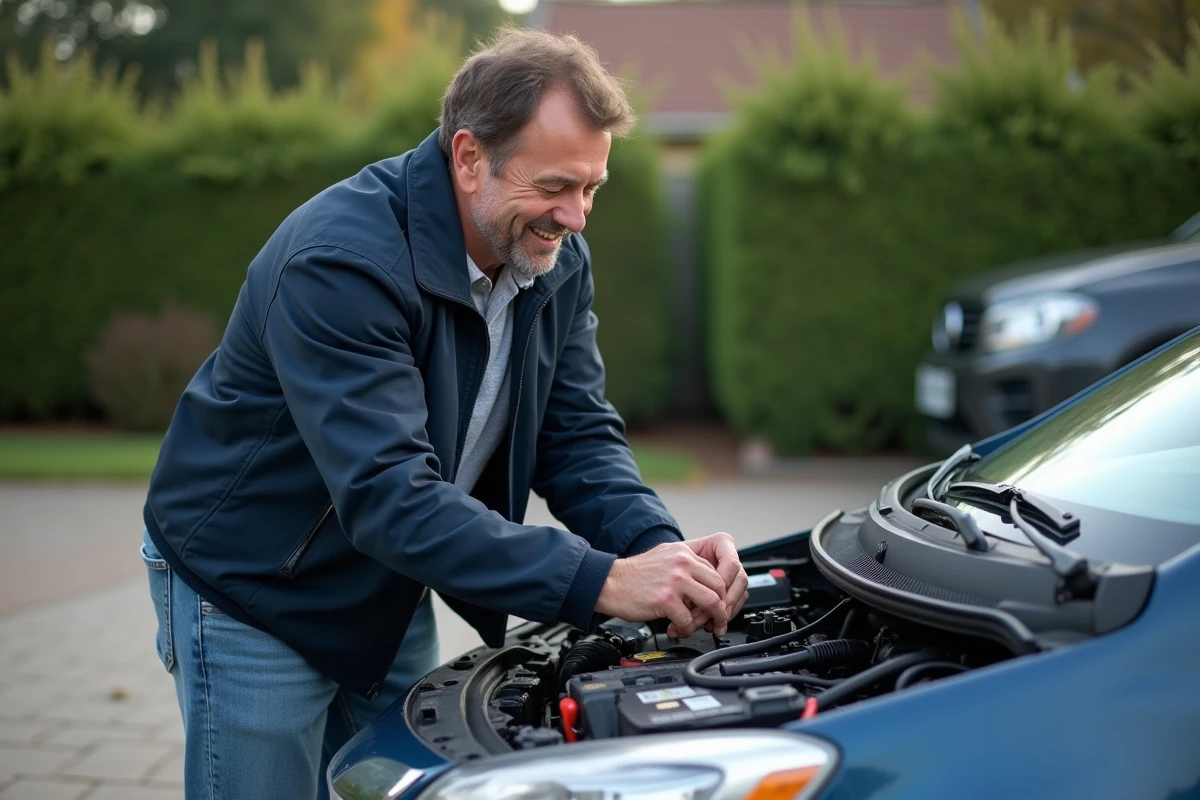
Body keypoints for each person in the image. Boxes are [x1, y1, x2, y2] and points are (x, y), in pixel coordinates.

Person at [140, 25, 749, 799]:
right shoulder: (343, 262)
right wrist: (600, 581)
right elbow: (389, 495)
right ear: (468, 158)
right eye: (557, 186)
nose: (578, 217)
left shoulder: (555, 261)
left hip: (388, 579)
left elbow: (579, 438)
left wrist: (665, 561)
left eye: (592, 187)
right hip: (253, 587)